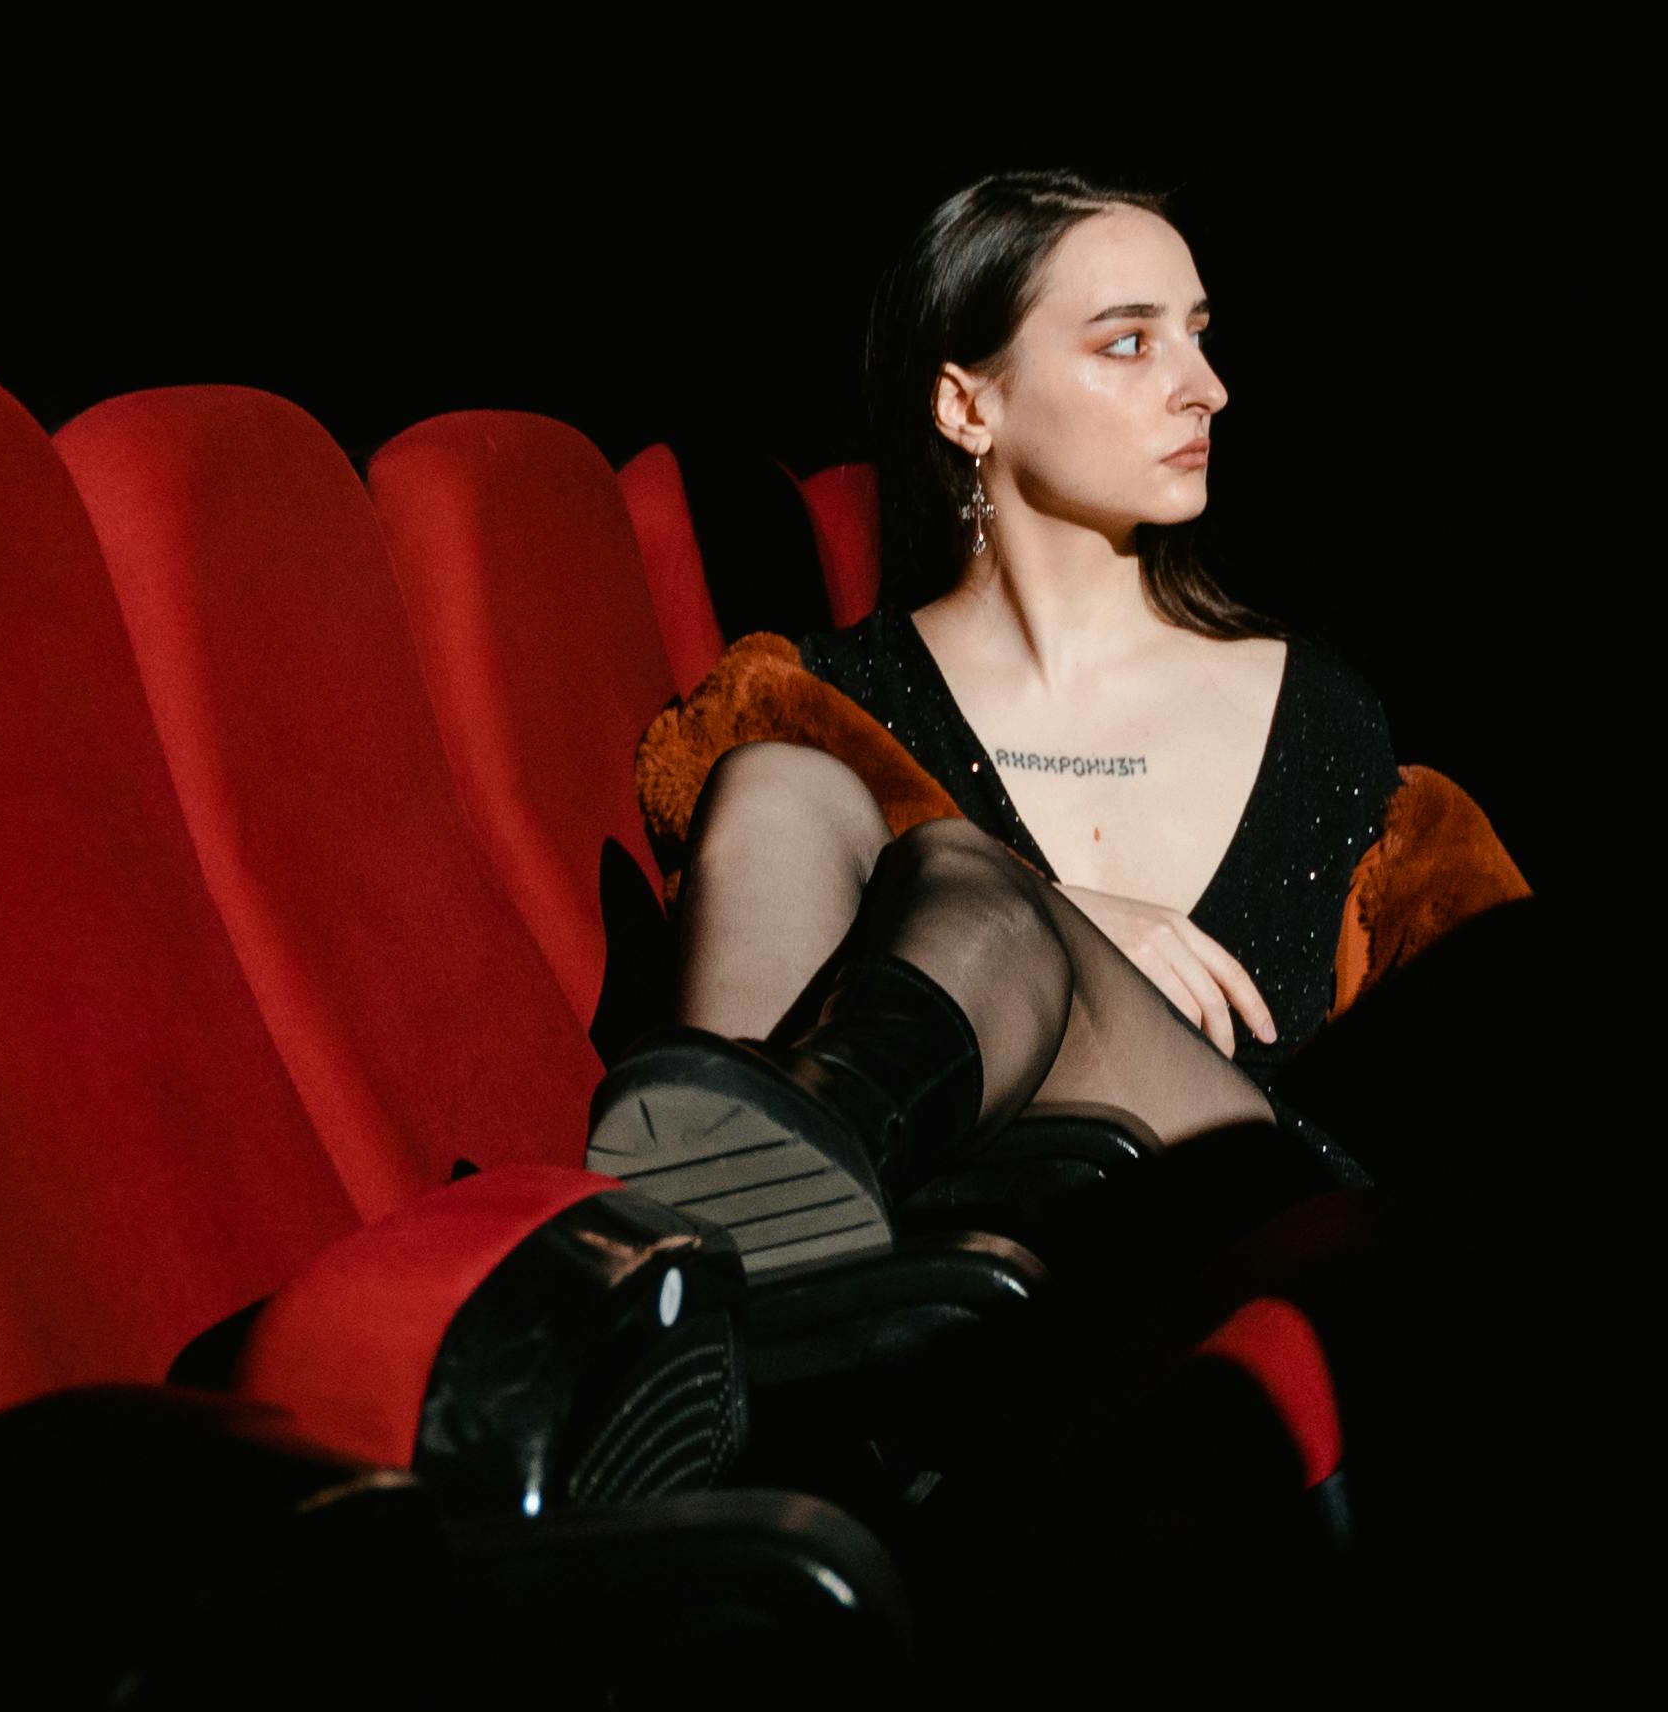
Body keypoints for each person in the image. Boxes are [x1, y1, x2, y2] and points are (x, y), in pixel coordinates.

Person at [587, 171, 1412, 1275]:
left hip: (1243, 1252)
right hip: (934, 1279)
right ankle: (742, 1263)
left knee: (950, 862)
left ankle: (708, 1254)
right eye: (1130, 343)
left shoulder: (1312, 710)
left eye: (1200, 336)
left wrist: (1038, 929)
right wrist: (1047, 913)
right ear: (967, 405)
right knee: (777, 781)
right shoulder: (836, 704)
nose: (1204, 386)